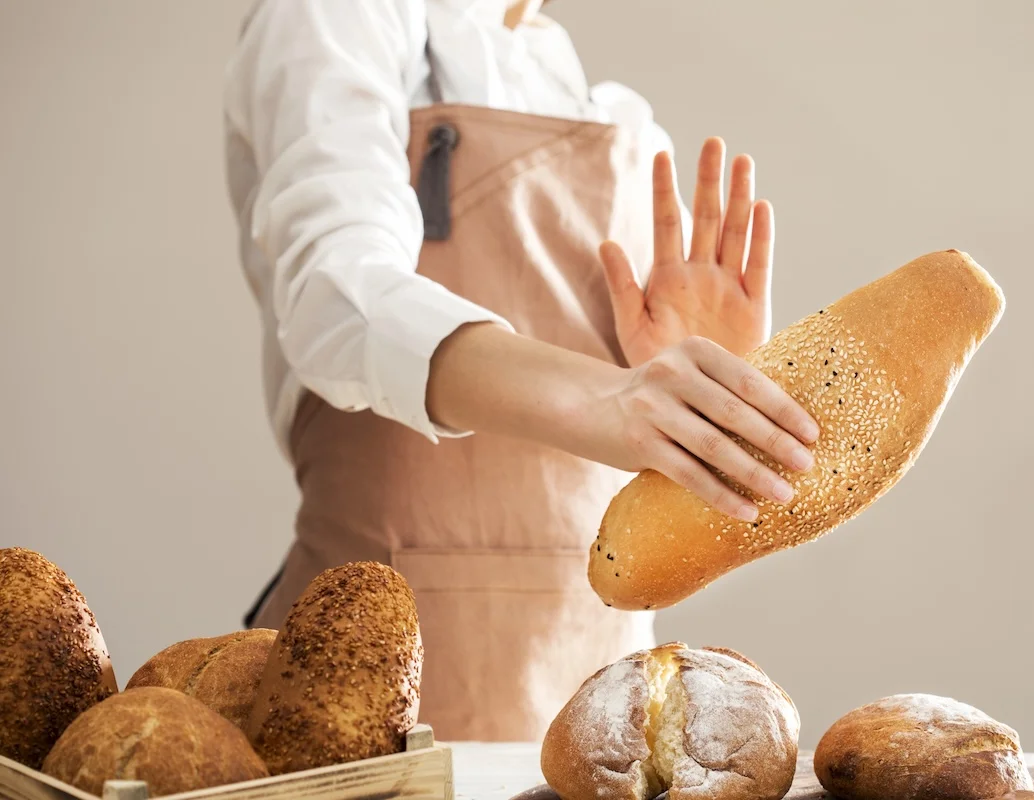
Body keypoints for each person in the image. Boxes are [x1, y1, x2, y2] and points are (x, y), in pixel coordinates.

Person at [223, 0, 819, 741]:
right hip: (363, 688)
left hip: (602, 679)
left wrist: (703, 399)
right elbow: (337, 299)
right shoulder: (337, 16)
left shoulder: (599, 107)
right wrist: (608, 399)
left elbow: (637, 451)